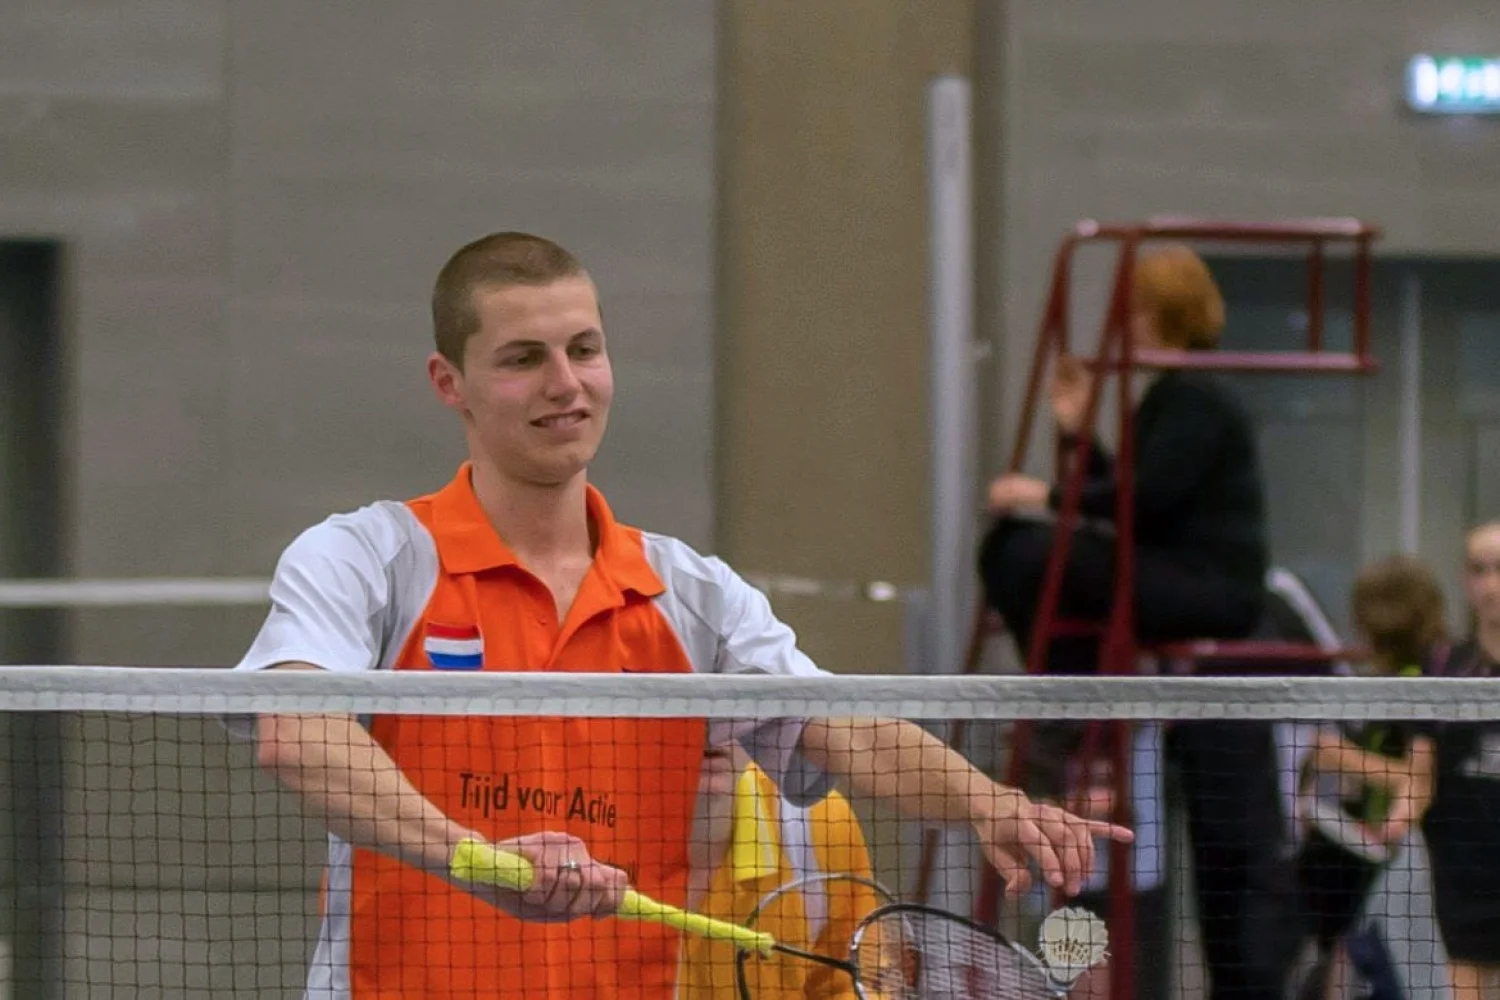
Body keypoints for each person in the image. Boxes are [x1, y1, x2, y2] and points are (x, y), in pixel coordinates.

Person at [237, 231, 1131, 1000]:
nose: (565, 384)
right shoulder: (367, 557)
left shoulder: (687, 591)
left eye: (584, 349)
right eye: (523, 359)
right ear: (449, 381)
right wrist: (481, 860)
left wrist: (988, 804)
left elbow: (844, 727)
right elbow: (297, 735)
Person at [979, 245, 1283, 1000]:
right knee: (1022, 550)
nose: (1124, 323)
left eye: (1137, 309)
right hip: (1166, 582)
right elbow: (1126, 493)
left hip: (1204, 591)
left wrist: (1049, 493)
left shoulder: (1199, 400)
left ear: (1160, 313)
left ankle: (1064, 691)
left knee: (1025, 552)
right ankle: (1066, 685)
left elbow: (1137, 502)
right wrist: (1079, 433)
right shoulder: (1169, 402)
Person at [1293, 554, 1444, 1000]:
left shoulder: (1427, 680)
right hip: (1353, 851)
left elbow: (1417, 779)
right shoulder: (1380, 678)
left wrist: (1338, 757)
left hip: (1402, 864)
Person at [680, 743, 884, 1000]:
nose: (710, 725)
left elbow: (847, 988)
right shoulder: (611, 831)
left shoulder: (820, 826)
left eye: (732, 703)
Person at [1415, 521, 1500, 1000]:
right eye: (1478, 571)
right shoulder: (1444, 665)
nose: (1491, 585)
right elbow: (1418, 772)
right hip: (1462, 873)